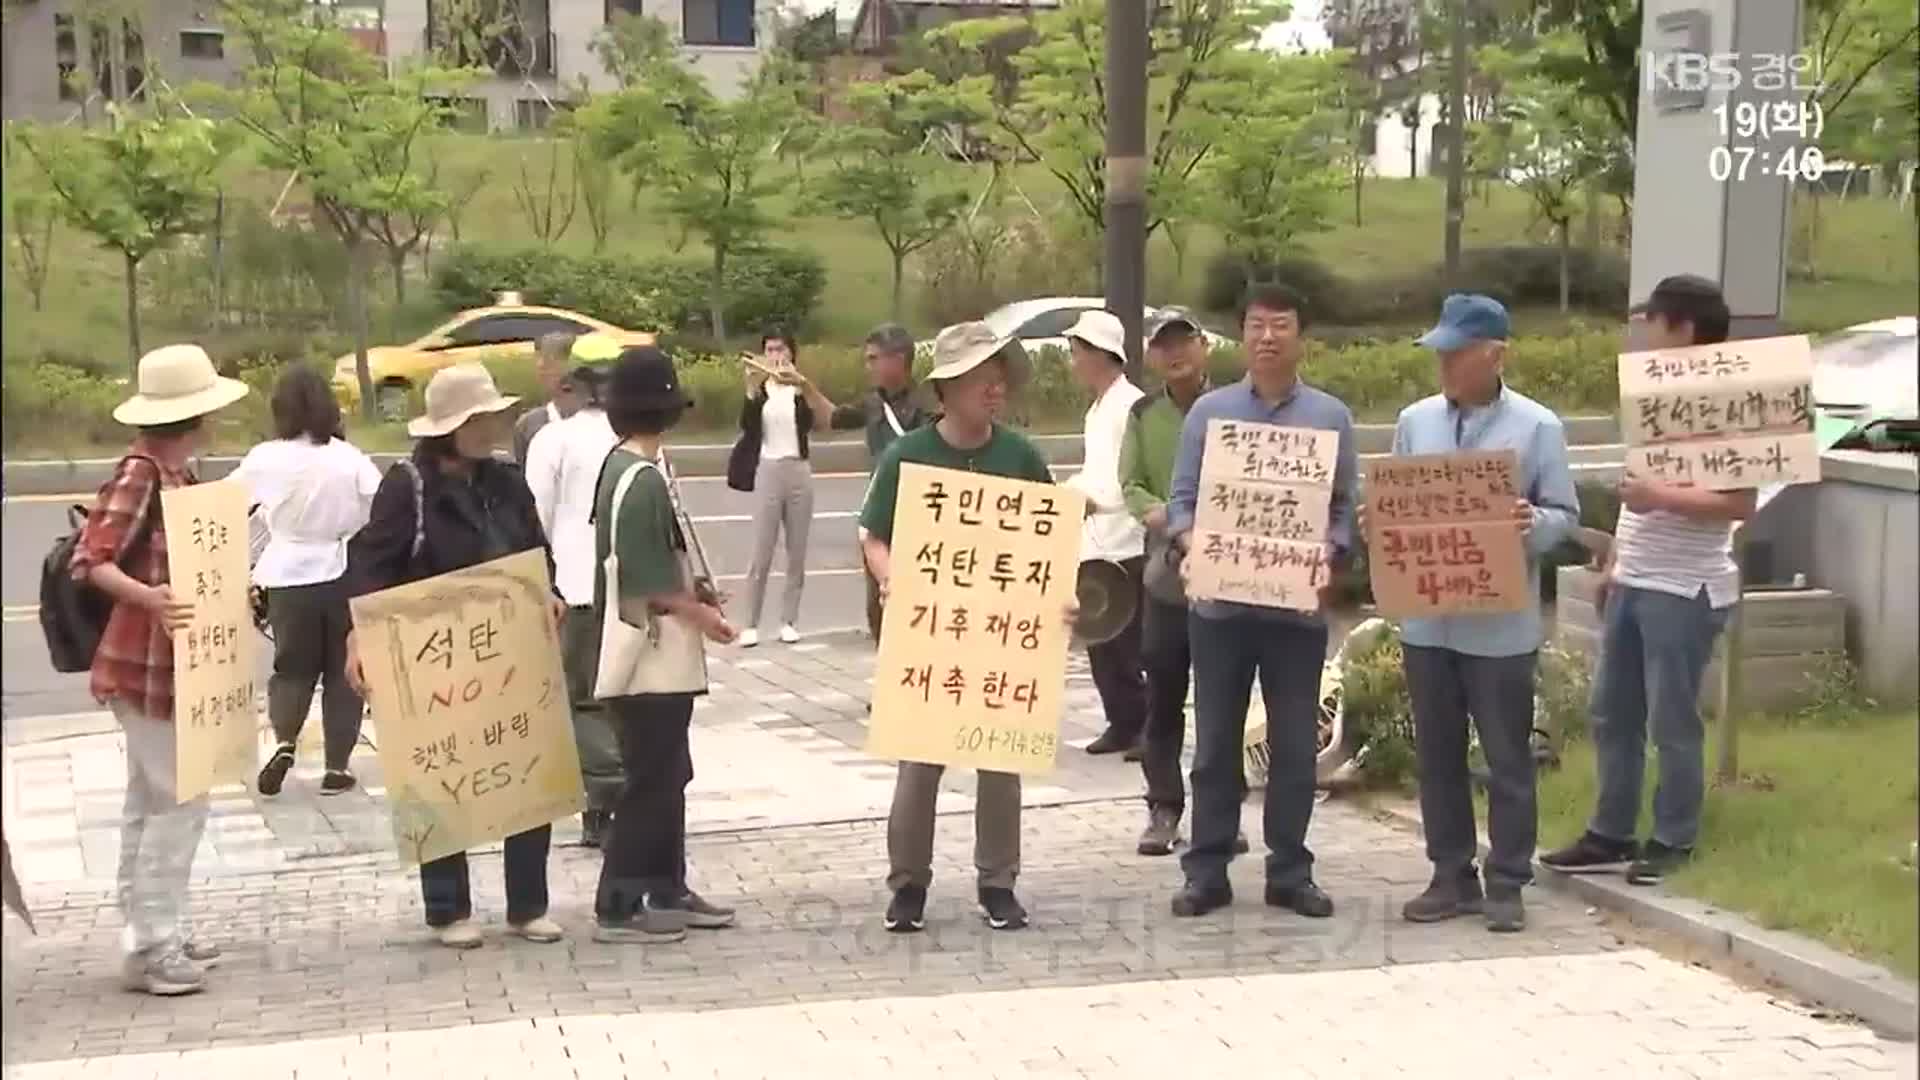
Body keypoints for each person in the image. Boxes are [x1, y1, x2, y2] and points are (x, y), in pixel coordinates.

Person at [345, 362, 567, 949]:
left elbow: (537, 553)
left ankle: (528, 903)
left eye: (493, 416)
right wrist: (361, 639)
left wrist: (553, 597)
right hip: (434, 655)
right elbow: (371, 567)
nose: (490, 428)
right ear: (446, 428)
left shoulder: (507, 481)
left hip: (511, 649)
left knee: (522, 768)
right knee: (441, 772)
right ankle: (448, 908)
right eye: (477, 420)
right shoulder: (408, 486)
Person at [1540, 275, 1748, 887]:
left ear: (1682, 327)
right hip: (1636, 580)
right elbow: (1634, 499)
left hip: (1686, 588)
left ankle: (1673, 838)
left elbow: (1741, 502)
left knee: (1672, 719)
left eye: (1651, 323)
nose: (1645, 337)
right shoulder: (1658, 402)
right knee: (1612, 712)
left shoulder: (1732, 401)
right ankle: (1611, 831)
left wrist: (1662, 495)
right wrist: (1615, 566)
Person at [1386, 294, 1580, 933]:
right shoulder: (1415, 421)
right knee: (1437, 755)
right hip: (1428, 622)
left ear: (1494, 355)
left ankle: (1507, 881)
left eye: (1456, 352)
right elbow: (1395, 502)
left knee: (1506, 757)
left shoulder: (1537, 427)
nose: (1443, 363)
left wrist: (1533, 524)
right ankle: (1450, 874)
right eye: (1439, 351)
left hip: (1499, 628)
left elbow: (1564, 515)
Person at [1165, 283, 1358, 921]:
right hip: (1219, 610)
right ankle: (1207, 869)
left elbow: (1342, 510)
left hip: (1294, 612)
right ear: (1241, 337)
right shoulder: (1208, 415)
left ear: (1301, 337)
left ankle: (1290, 871)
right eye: (1256, 325)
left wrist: (1329, 552)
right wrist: (1195, 542)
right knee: (1216, 740)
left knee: (1296, 743)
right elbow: (1183, 499)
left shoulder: (1330, 418)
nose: (1268, 336)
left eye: (1281, 324)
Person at [861, 321, 1053, 934]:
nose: (993, 392)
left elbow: (1046, 539)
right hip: (929, 631)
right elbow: (874, 534)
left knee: (1000, 763)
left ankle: (998, 882)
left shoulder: (1019, 455)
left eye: (1000, 382)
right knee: (919, 766)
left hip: (997, 634)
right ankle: (908, 884)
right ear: (947, 390)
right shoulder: (907, 455)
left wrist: (1056, 600)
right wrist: (891, 578)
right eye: (980, 382)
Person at [72, 343, 250, 995]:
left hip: (173, 667)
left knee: (153, 800)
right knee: (179, 799)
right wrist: (150, 597)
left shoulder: (179, 477)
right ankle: (154, 943)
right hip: (144, 663)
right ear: (198, 416)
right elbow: (92, 560)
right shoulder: (142, 473)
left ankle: (151, 931)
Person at [591, 345, 741, 944]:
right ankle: (620, 902)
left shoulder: (620, 468)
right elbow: (649, 583)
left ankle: (667, 885)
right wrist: (702, 613)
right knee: (652, 778)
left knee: (666, 771)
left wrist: (693, 591)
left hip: (649, 652)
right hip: (651, 656)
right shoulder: (644, 479)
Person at [231, 366, 382, 799]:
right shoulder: (348, 458)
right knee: (343, 671)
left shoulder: (265, 458)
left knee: (291, 668)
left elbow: (223, 502)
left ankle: (283, 743)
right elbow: (380, 506)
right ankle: (337, 767)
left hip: (285, 574)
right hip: (343, 573)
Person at [523, 333, 625, 849]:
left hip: (577, 587)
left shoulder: (553, 441)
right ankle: (622, 799)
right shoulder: (639, 441)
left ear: (576, 385)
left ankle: (604, 804)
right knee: (624, 700)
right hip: (634, 591)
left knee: (583, 702)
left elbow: (533, 520)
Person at [1061, 311, 1149, 758]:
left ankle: (1145, 726)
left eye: (1078, 351)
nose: (1073, 360)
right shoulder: (1097, 408)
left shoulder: (1131, 404)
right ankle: (1121, 723)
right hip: (1095, 539)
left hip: (1126, 539)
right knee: (1100, 639)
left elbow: (1129, 476)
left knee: (1128, 643)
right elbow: (1094, 471)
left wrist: (1098, 502)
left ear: (1100, 354)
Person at [831, 323, 934, 640]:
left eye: (874, 358)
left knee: (920, 599)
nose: (869, 366)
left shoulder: (928, 404)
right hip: (883, 510)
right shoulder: (872, 403)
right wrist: (804, 386)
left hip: (921, 512)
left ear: (899, 359)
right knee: (880, 602)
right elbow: (833, 419)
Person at [736, 329, 836, 647]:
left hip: (798, 468)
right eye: (769, 349)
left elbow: (814, 423)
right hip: (768, 468)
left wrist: (800, 385)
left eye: (781, 349)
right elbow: (748, 427)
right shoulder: (760, 389)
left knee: (797, 551)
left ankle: (789, 620)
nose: (776, 355)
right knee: (761, 551)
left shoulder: (798, 388)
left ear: (792, 352)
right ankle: (750, 623)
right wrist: (751, 391)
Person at [512, 332, 577, 465]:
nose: (540, 365)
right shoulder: (528, 425)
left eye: (550, 359)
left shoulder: (604, 421)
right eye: (539, 358)